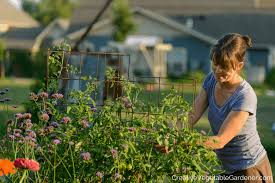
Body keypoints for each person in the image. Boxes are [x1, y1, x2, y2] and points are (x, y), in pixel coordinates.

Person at [189, 33, 273, 183]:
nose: (218, 70)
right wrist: (167, 135)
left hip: (249, 170)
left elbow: (220, 141)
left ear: (239, 66)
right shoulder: (211, 80)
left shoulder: (245, 96)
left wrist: (183, 143)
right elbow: (190, 116)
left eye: (225, 67)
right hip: (226, 169)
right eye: (215, 64)